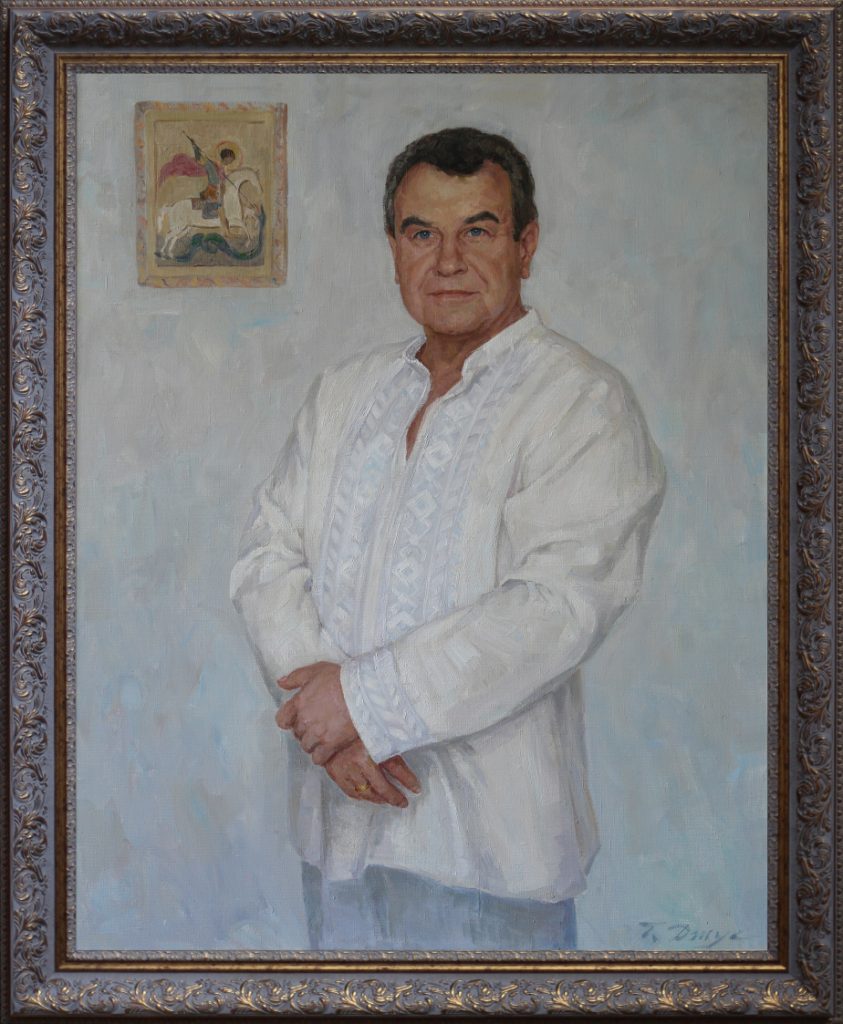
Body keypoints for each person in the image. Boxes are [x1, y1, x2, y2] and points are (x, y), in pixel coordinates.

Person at [230, 127, 665, 951]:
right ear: (393, 249)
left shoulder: (580, 401)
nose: (448, 261)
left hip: (492, 858)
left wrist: (359, 707)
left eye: (478, 230)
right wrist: (325, 722)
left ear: (525, 245)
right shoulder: (342, 394)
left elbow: (554, 608)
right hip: (338, 832)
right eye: (421, 233)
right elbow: (267, 555)